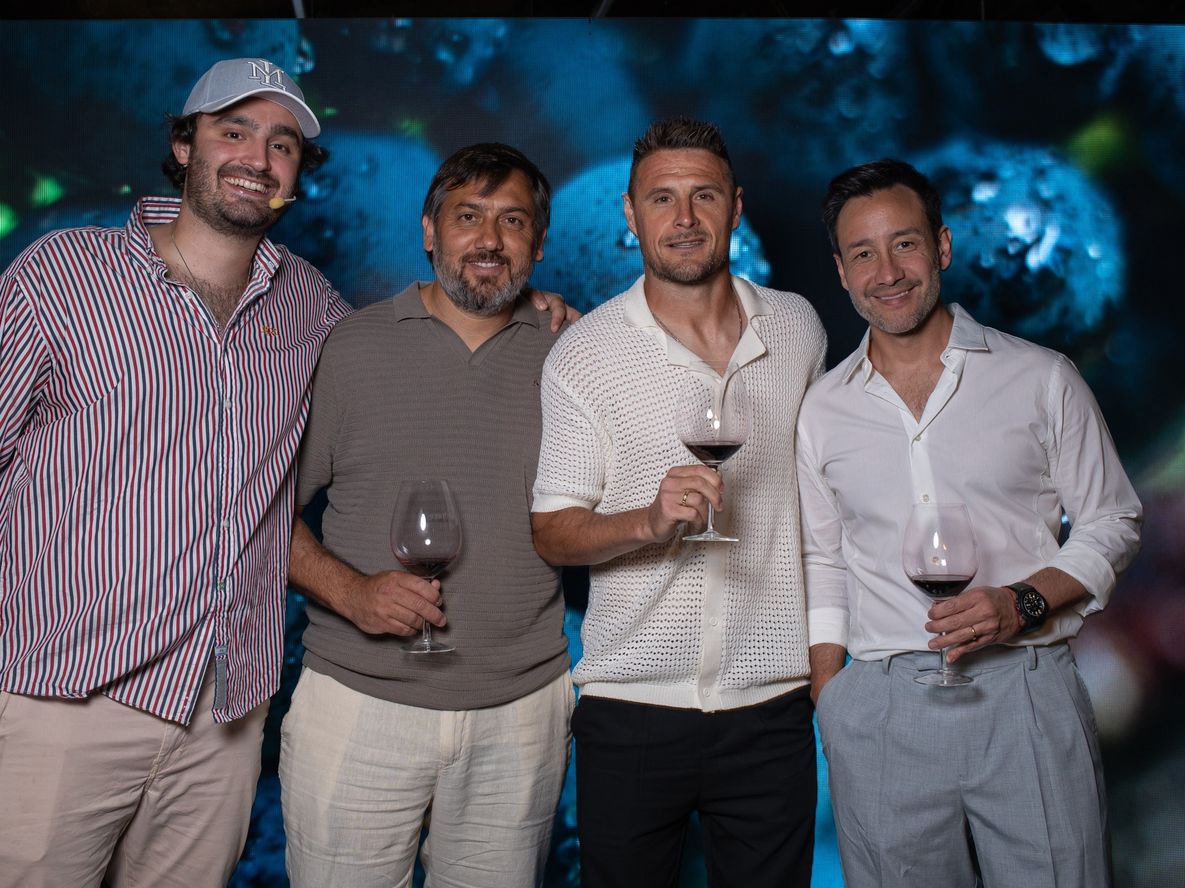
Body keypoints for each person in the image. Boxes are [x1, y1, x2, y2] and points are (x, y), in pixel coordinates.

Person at [0, 58, 350, 888]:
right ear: (182, 142)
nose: (257, 159)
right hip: (59, 703)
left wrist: (528, 313)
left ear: (297, 176)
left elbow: (408, 355)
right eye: (233, 132)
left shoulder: (314, 308)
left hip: (224, 718)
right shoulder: (62, 277)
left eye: (283, 145)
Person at [799, 158, 1142, 888]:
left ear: (943, 247)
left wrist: (1019, 602)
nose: (886, 271)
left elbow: (1111, 520)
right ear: (839, 271)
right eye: (862, 253)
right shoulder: (822, 410)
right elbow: (820, 562)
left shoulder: (1040, 377)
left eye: (905, 244)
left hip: (1022, 690)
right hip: (882, 711)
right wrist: (835, 702)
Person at [531, 118, 826, 888]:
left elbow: (826, 508)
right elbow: (552, 532)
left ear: (736, 207)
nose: (684, 218)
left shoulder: (797, 328)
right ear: (629, 215)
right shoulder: (583, 354)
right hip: (631, 710)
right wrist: (648, 523)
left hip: (773, 706)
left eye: (703, 196)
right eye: (662, 199)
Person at [279, 142, 574, 888]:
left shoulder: (574, 356)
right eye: (467, 216)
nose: (488, 239)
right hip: (356, 703)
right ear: (427, 231)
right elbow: (263, 512)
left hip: (522, 711)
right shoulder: (349, 346)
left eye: (512, 221)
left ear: (538, 245)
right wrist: (350, 593)